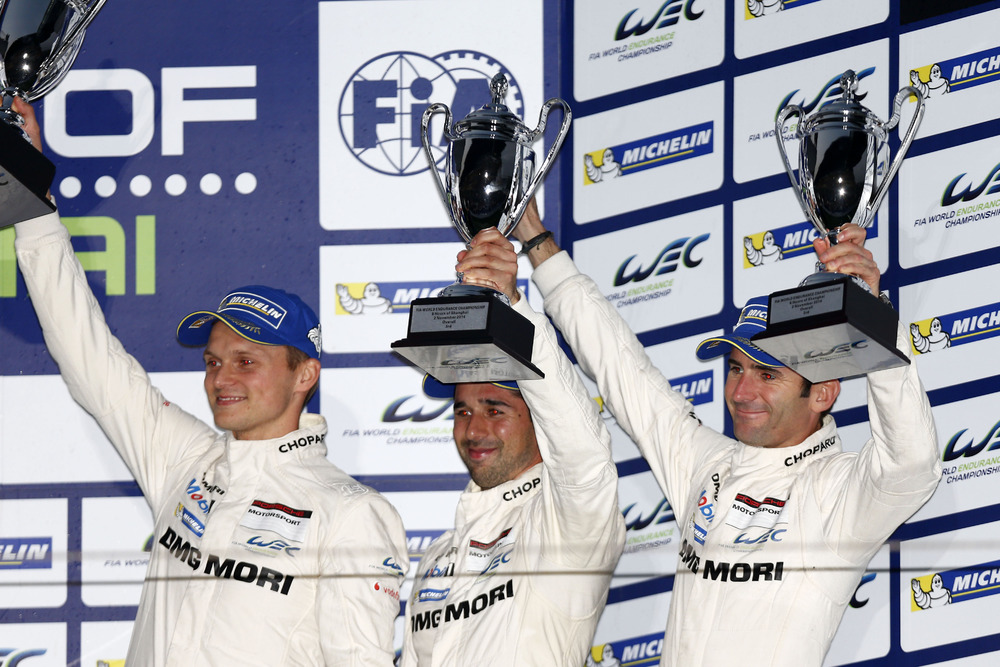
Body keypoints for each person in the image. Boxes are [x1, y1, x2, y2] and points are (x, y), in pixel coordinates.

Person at [12, 99, 408, 665]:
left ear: (305, 374)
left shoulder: (348, 513)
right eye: (213, 361)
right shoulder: (186, 460)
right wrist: (32, 196)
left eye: (246, 361)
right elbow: (88, 355)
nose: (222, 377)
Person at [511, 200, 942, 666]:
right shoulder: (707, 463)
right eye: (736, 368)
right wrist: (534, 238)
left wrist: (872, 315)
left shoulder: (839, 492)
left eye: (768, 374)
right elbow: (619, 365)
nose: (741, 392)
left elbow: (912, 462)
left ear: (823, 393)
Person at [398, 228, 626, 666]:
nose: (474, 429)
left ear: (538, 417)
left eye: (495, 409)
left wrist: (515, 308)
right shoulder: (439, 555)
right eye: (463, 411)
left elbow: (582, 450)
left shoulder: (567, 522)